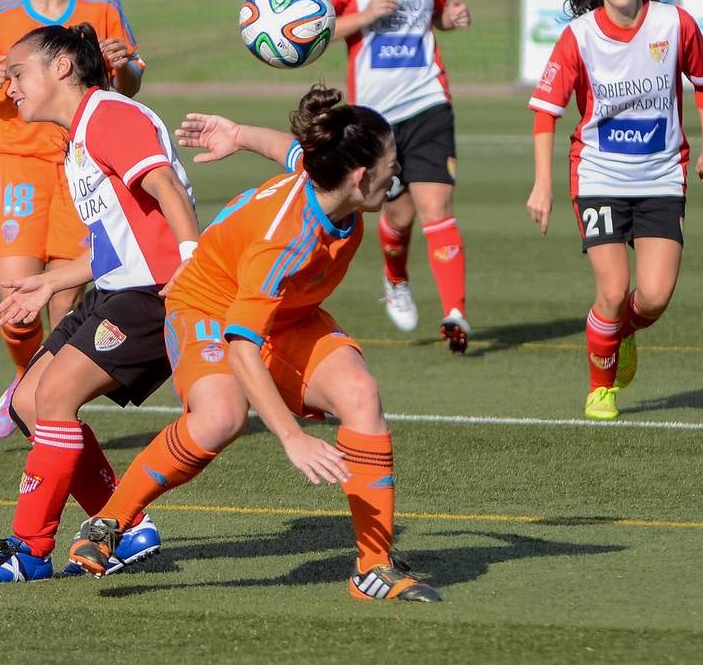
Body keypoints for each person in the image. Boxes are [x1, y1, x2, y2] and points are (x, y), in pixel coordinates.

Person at [64, 86, 442, 603]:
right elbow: (243, 346)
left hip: (285, 315)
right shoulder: (288, 239)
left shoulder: (324, 173)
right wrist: (291, 438)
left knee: (360, 394)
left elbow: (287, 148)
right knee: (221, 416)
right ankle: (110, 521)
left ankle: (373, 568)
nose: (396, 178)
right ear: (361, 178)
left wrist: (237, 134)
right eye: (391, 166)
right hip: (209, 310)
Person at [0, 23, 200, 583]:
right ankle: (126, 525)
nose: (10, 88)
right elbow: (117, 243)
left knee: (58, 395)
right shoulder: (79, 137)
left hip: (155, 292)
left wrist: (190, 259)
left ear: (63, 66)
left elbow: (166, 186)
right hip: (117, 287)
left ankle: (29, 551)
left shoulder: (111, 116)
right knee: (28, 403)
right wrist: (50, 282)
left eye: (18, 74)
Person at [0, 0, 145, 439]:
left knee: (65, 302)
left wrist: (123, 64)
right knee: (16, 301)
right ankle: (24, 383)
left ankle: (48, 404)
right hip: (17, 164)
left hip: (80, 166)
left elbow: (129, 85)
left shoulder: (102, 5)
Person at [525, 0, 703, 421]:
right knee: (612, 290)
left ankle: (622, 331)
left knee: (653, 298)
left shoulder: (675, 24)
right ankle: (601, 388)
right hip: (597, 177)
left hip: (661, 177)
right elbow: (545, 114)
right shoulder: (578, 37)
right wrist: (543, 184)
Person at [318, 0, 474, 354]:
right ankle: (395, 277)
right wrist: (364, 16)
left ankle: (455, 312)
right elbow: (318, 30)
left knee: (436, 208)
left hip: (428, 101)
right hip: (376, 115)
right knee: (399, 215)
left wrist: (454, 18)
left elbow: (438, 13)